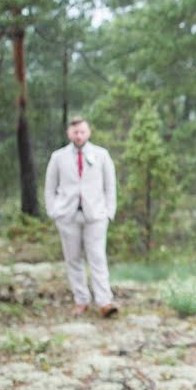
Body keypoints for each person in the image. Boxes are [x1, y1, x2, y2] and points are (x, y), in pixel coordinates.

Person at [44, 116, 119, 318]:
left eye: (82, 132)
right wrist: (53, 211)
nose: (79, 135)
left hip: (95, 215)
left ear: (89, 132)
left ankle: (104, 301)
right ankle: (81, 300)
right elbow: (50, 187)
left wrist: (109, 211)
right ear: (69, 133)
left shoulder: (101, 155)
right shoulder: (58, 157)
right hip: (67, 215)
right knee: (73, 259)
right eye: (75, 132)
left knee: (97, 257)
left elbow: (110, 186)